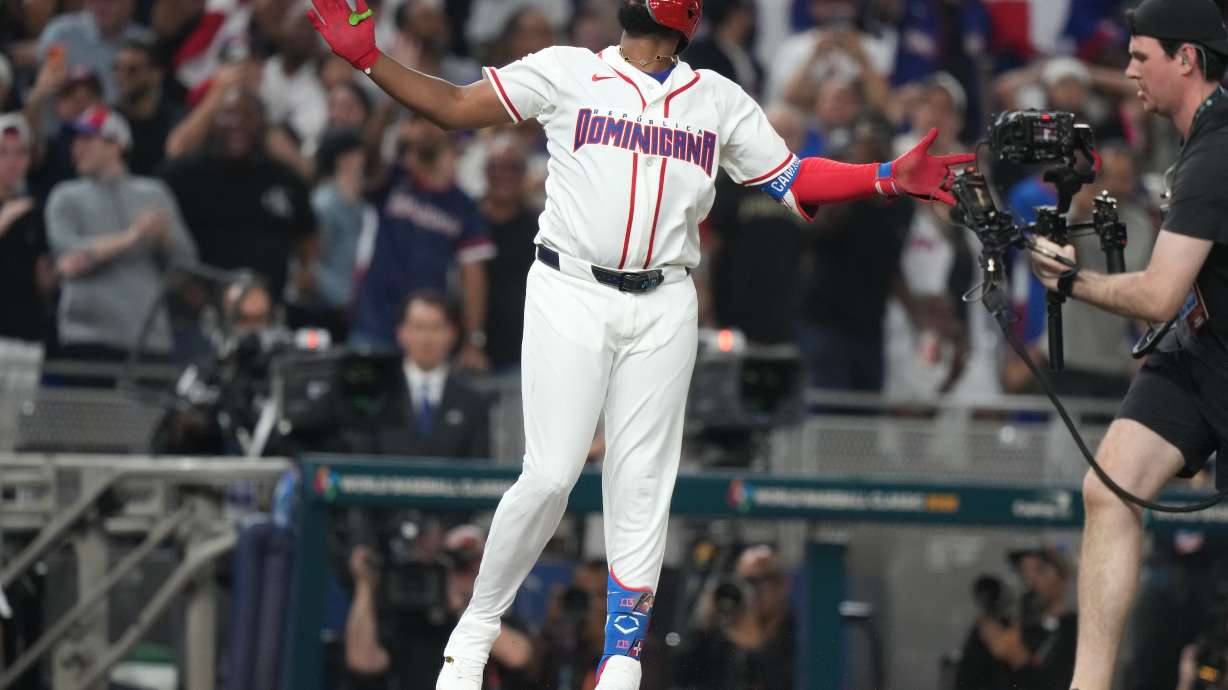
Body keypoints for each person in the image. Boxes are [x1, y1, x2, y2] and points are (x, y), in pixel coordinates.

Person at [306, 0, 971, 687]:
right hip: (571, 286)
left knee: (644, 482)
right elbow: (452, 105)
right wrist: (368, 61)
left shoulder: (714, 97)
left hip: (665, 298)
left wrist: (885, 177)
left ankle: (622, 654)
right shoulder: (567, 70)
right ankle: (477, 626)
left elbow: (795, 179)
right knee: (552, 474)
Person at [1026, 1, 1228, 688]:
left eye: (1141, 56)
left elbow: (1156, 296)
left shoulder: (1218, 148)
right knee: (1110, 487)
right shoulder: (1196, 137)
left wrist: (1067, 278)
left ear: (1187, 60)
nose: (1128, 69)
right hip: (1204, 351)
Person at [45, 106, 197, 360]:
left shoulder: (154, 193)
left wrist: (163, 240)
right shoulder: (64, 195)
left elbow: (186, 264)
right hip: (85, 336)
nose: (76, 148)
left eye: (87, 139)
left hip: (148, 337)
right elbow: (68, 257)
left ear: (116, 145)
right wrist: (133, 237)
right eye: (76, 140)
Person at [344, 524, 534, 690]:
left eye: (481, 564)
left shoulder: (498, 617)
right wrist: (364, 586)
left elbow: (518, 655)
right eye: (462, 565)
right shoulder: (414, 620)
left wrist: (462, 609)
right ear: (444, 569)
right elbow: (362, 659)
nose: (473, 573)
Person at [373, 290, 491, 459]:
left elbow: (480, 474)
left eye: (436, 328)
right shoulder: (378, 395)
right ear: (401, 333)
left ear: (452, 334)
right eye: (418, 327)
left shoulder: (473, 403)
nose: (426, 339)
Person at [673, 544, 797, 690]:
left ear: (783, 584)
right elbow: (679, 677)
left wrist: (756, 646)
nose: (749, 590)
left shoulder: (799, 632)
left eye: (754, 581)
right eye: (742, 580)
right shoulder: (718, 633)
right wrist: (702, 622)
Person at [955, 546, 1078, 690]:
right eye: (1023, 570)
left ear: (1064, 577)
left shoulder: (1074, 631)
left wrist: (1018, 658)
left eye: (1040, 570)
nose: (1030, 579)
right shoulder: (1001, 628)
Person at [0, 114, 53, 344]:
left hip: (26, 335)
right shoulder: (18, 211)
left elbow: (43, 283)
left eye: (21, 153)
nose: (13, 162)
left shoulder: (34, 211)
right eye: (2, 153)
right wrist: (5, 220)